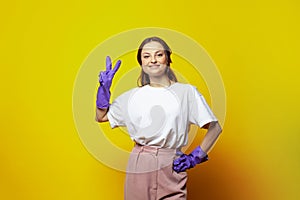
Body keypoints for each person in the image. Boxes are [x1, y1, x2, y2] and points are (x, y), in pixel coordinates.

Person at [95, 36, 222, 200]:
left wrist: (195, 157)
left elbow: (215, 127)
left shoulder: (187, 93)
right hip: (140, 162)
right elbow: (102, 116)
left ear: (168, 58)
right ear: (141, 63)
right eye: (146, 56)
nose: (153, 60)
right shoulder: (132, 97)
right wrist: (103, 90)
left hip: (171, 164)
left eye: (159, 54)